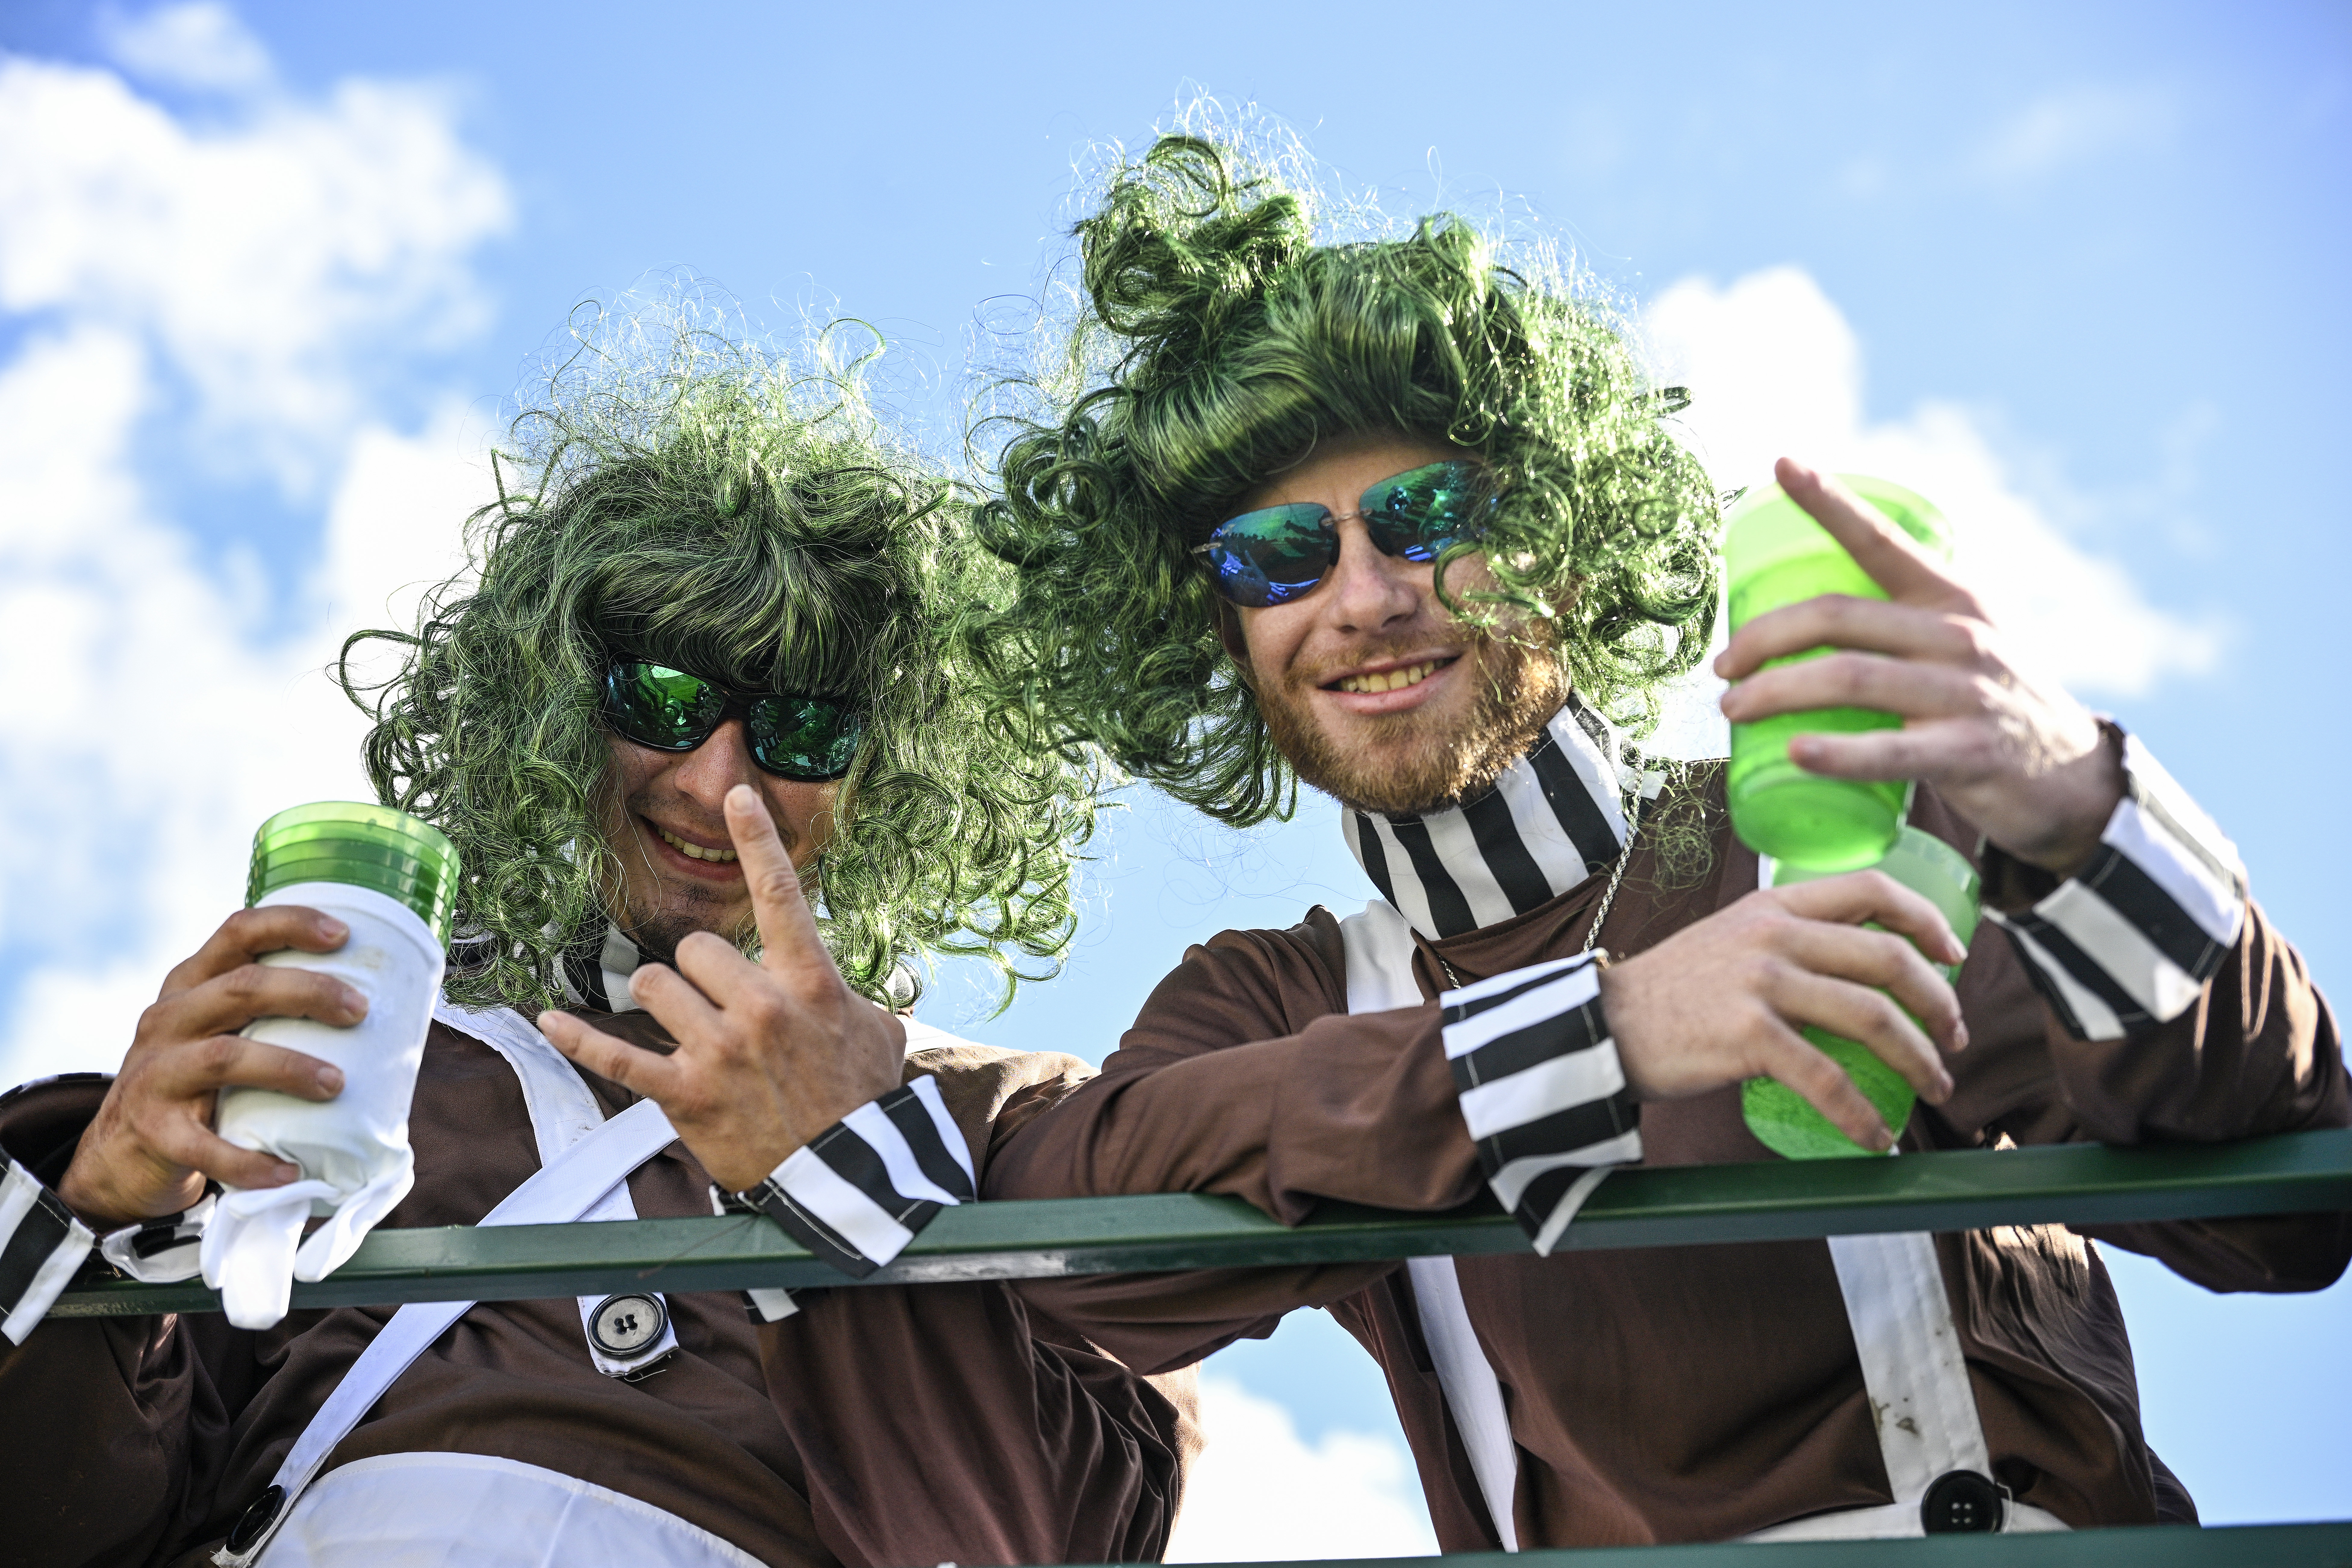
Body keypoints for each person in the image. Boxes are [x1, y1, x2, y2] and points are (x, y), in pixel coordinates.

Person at [934, 134, 2347, 1547]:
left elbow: (2282, 1209)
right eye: (1276, 556)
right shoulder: (1284, 1002)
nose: (1363, 597)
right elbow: (1083, 1249)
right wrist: (1600, 1038)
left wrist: (2080, 804)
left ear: (1557, 547)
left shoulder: (1834, 840)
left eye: (1432, 518)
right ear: (1225, 632)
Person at [0, 321, 1192, 1566]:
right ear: (556, 709)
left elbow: (1086, 1530)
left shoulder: (994, 1112)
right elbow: (64, 1524)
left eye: (804, 730)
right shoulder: (349, 1058)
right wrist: (96, 1211)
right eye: (662, 699)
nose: (721, 784)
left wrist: (842, 1161)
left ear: (884, 780)